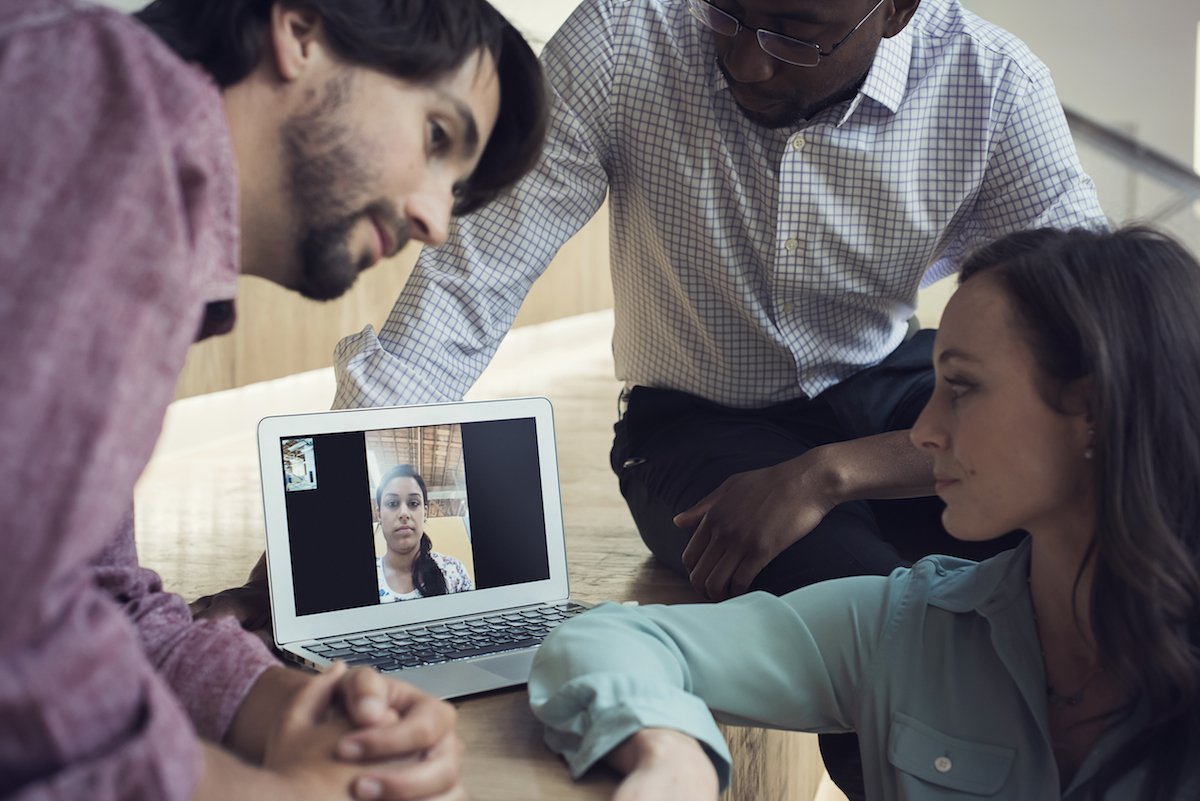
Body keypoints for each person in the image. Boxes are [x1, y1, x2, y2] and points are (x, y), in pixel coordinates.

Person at [331, 0, 1108, 607]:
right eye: (727, 11)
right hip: (695, 423)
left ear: (897, 11)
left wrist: (830, 473)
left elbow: (1096, 348)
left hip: (892, 389)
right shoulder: (621, 38)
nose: (746, 62)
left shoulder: (994, 85)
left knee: (1091, 538)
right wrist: (325, 541)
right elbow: (470, 283)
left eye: (798, 33)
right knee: (859, 604)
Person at [0, 0, 546, 799]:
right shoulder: (110, 104)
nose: (435, 219)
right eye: (436, 137)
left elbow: (96, 597)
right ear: (300, 30)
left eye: (455, 187)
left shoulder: (146, 180)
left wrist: (283, 706)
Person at [526, 226, 1200, 800]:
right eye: (933, 385)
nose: (925, 429)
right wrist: (672, 754)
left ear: (1092, 412)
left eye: (961, 387)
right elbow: (598, 643)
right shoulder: (906, 627)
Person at [376, 465, 474, 601]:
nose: (404, 513)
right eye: (392, 504)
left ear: (425, 513)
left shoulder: (453, 571)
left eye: (413, 503)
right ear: (379, 514)